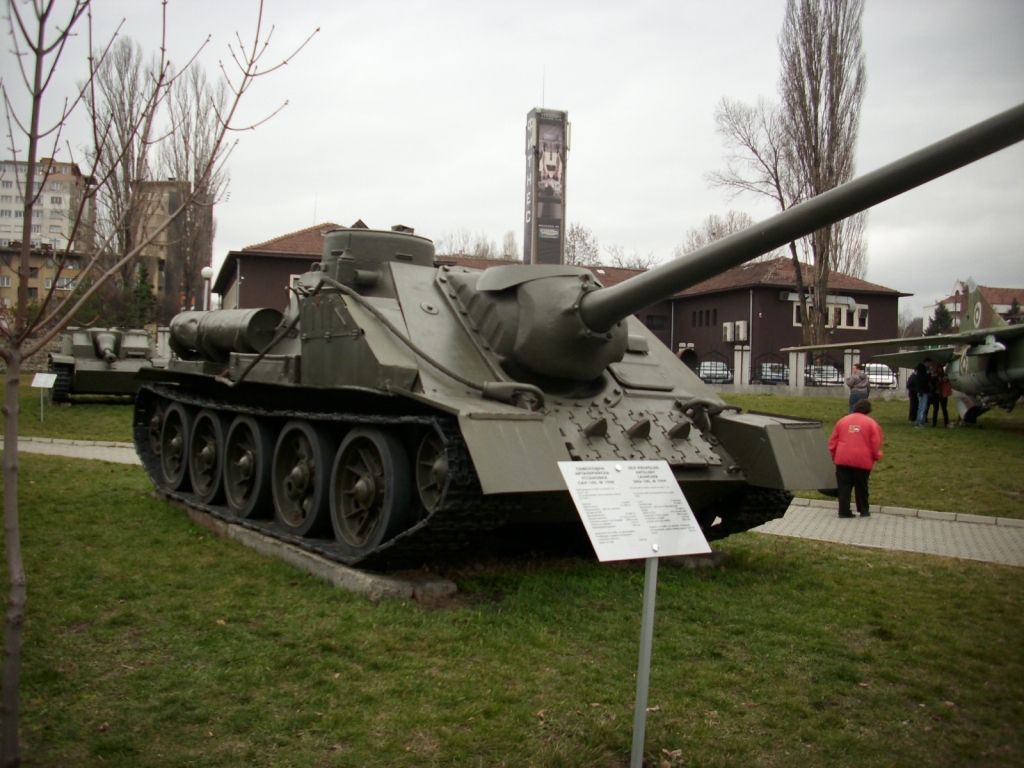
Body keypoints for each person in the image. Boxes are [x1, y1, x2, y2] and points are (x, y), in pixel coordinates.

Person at [829, 398, 883, 518]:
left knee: (844, 486)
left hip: (842, 458)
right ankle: (863, 510)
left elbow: (833, 441)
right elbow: (875, 443)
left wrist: (832, 456)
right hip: (862, 460)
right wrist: (877, 455)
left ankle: (843, 511)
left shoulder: (842, 421)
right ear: (869, 410)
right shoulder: (872, 424)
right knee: (861, 486)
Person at [930, 362, 952, 427]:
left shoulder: (944, 375)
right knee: (935, 409)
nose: (939, 369)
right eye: (938, 368)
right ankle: (934, 423)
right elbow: (932, 383)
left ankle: (946, 422)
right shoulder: (934, 375)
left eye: (940, 368)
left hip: (943, 394)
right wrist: (933, 377)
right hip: (936, 394)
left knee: (944, 409)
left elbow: (947, 382)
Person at [914, 358, 932, 427]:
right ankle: (919, 422)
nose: (930, 365)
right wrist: (929, 374)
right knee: (922, 407)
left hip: (922, 391)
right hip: (923, 391)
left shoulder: (921, 370)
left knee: (922, 407)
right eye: (930, 363)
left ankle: (921, 421)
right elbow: (924, 380)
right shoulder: (923, 371)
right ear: (927, 362)